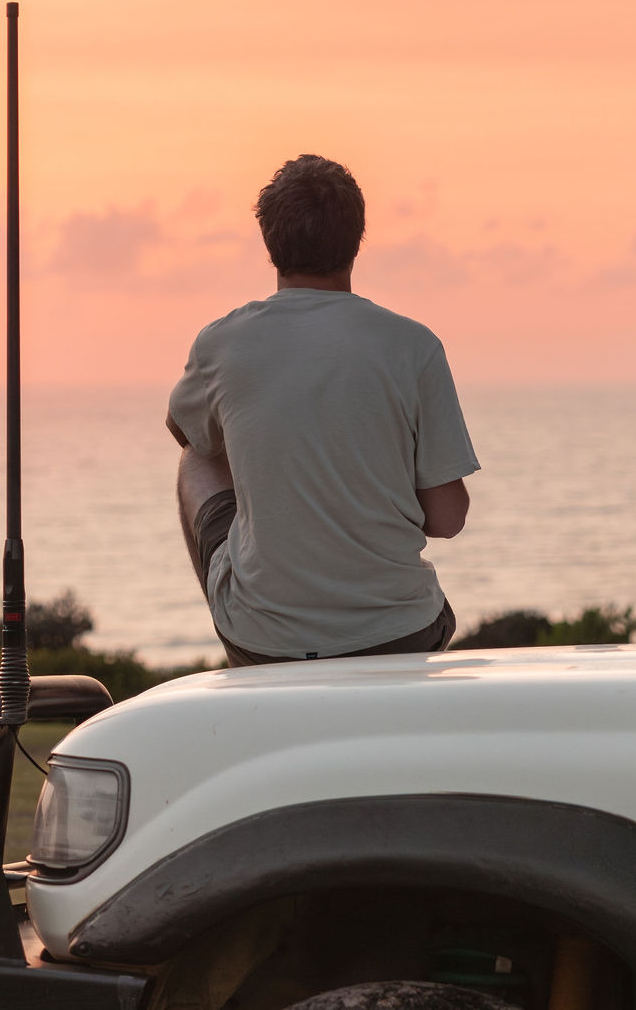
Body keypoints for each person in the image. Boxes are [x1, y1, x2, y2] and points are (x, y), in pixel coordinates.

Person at [166, 154, 479, 667]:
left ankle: (252, 599)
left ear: (270, 242)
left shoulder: (221, 343)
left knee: (197, 456)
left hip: (263, 641)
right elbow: (448, 518)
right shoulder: (414, 346)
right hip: (400, 631)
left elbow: (183, 431)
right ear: (357, 240)